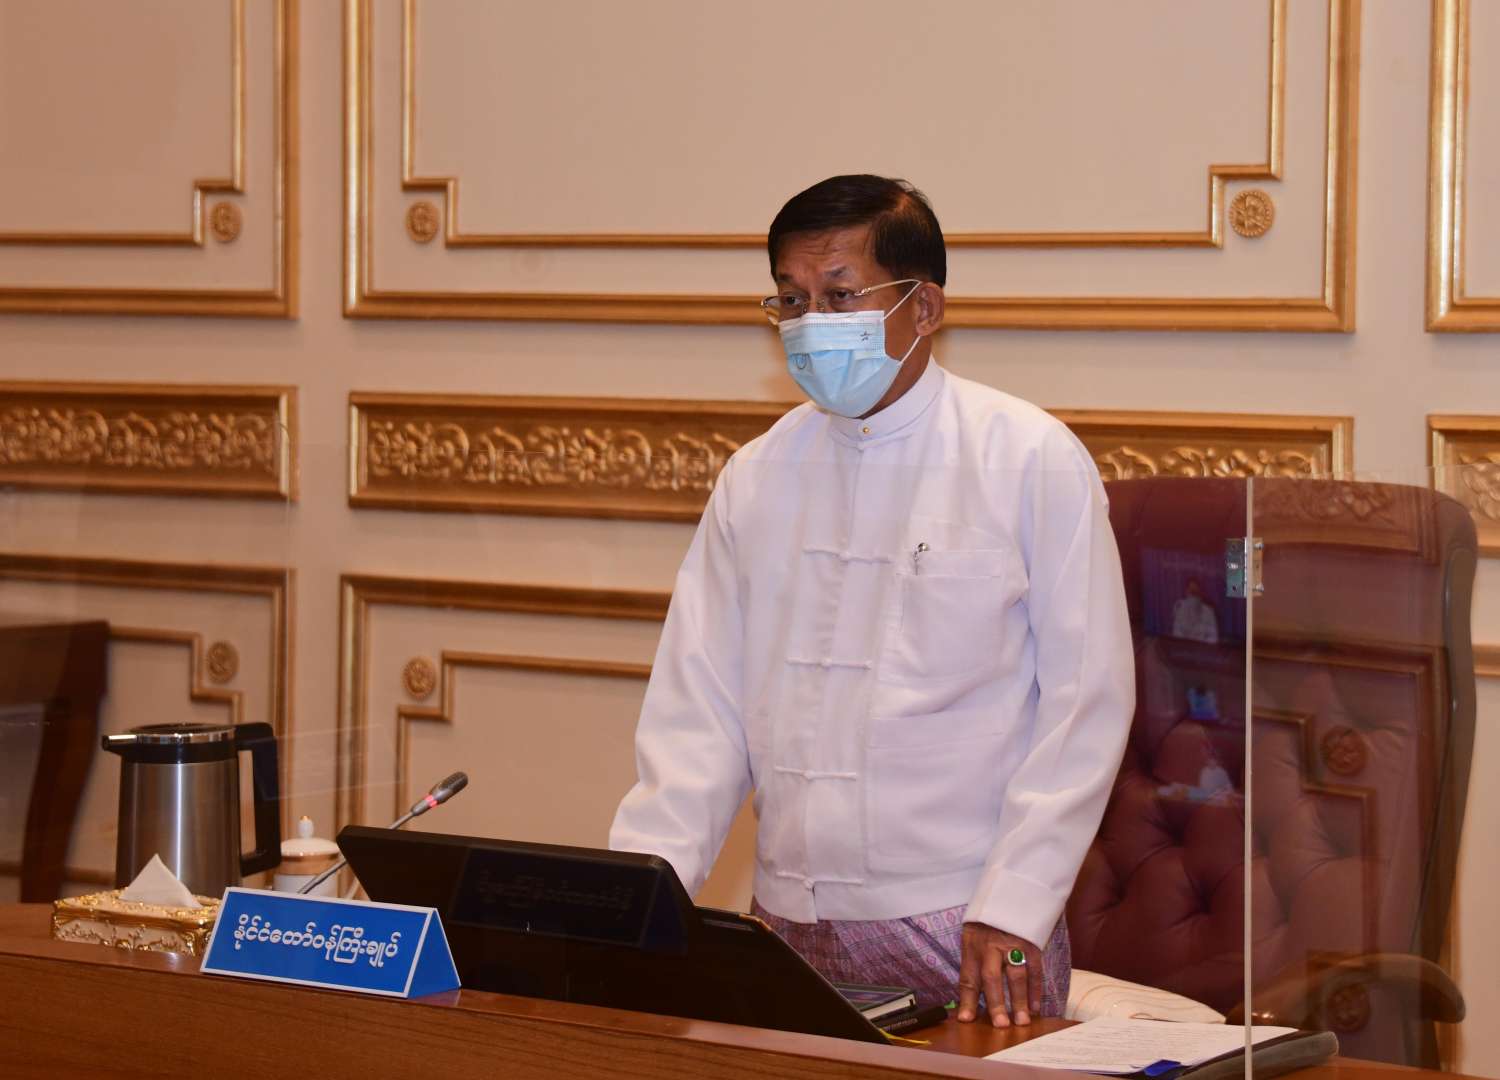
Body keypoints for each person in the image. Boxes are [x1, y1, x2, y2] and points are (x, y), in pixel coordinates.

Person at [610, 175, 1134, 1027]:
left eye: (840, 296)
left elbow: (1086, 703)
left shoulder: (1026, 457)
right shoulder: (757, 475)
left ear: (923, 307)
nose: (811, 323)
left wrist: (1017, 903)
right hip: (783, 921)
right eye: (792, 300)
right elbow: (698, 711)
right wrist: (638, 896)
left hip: (973, 923)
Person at [1171, 578, 1220, 644]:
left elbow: (1214, 638)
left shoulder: (1209, 612)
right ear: (1186, 592)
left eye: (1195, 592)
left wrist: (1200, 643)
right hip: (1184, 647)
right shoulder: (1179, 610)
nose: (1193, 596)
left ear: (1201, 593)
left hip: (1203, 647)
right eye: (1191, 592)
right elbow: (1176, 635)